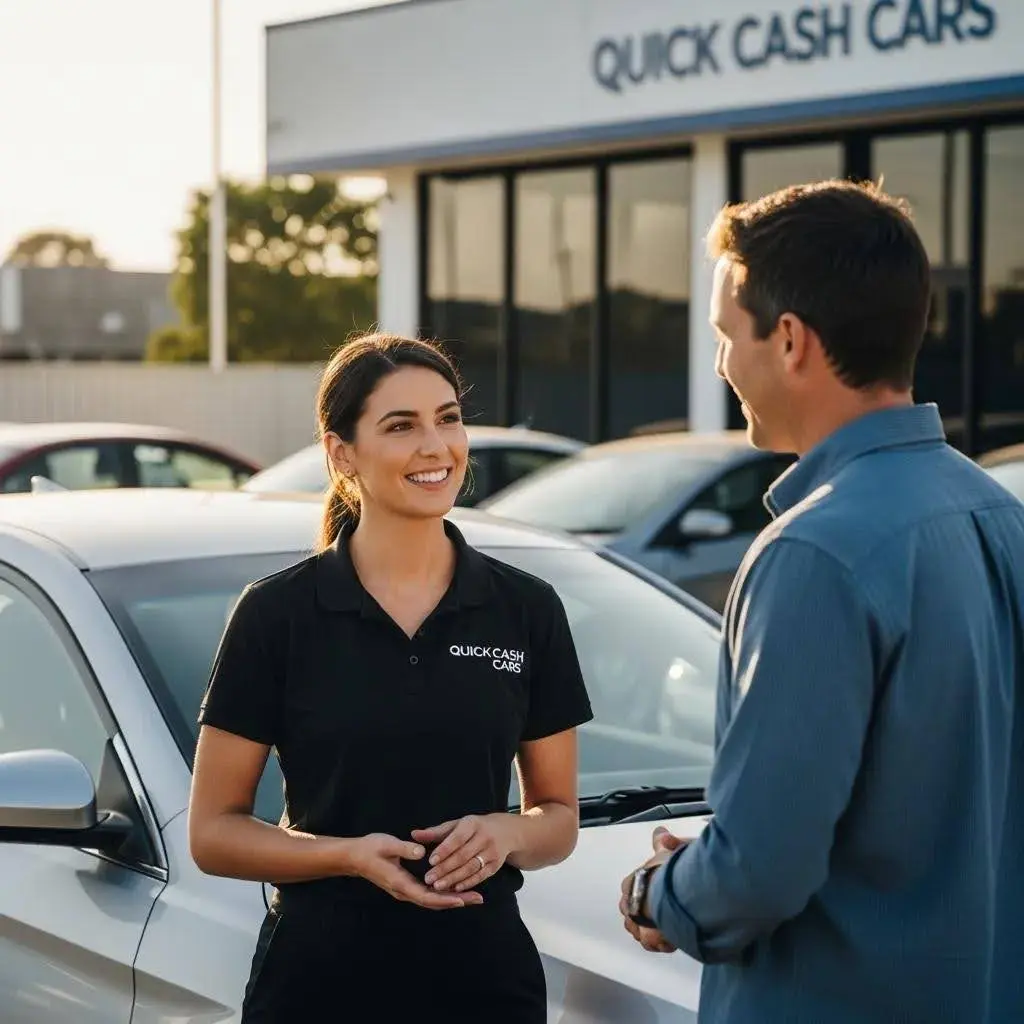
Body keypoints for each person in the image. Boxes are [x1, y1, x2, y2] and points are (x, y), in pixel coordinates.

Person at [618, 180, 1024, 1023]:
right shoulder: (999, 516)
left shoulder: (814, 553)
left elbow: (761, 871)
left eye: (727, 336)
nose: (724, 362)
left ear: (792, 341)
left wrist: (662, 892)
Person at [188, 333, 593, 1022]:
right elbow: (213, 834)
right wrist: (347, 856)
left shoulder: (525, 609)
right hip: (319, 986)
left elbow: (557, 817)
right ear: (341, 452)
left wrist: (505, 834)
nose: (436, 446)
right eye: (401, 426)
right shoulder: (277, 614)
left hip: (485, 983)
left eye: (448, 417)